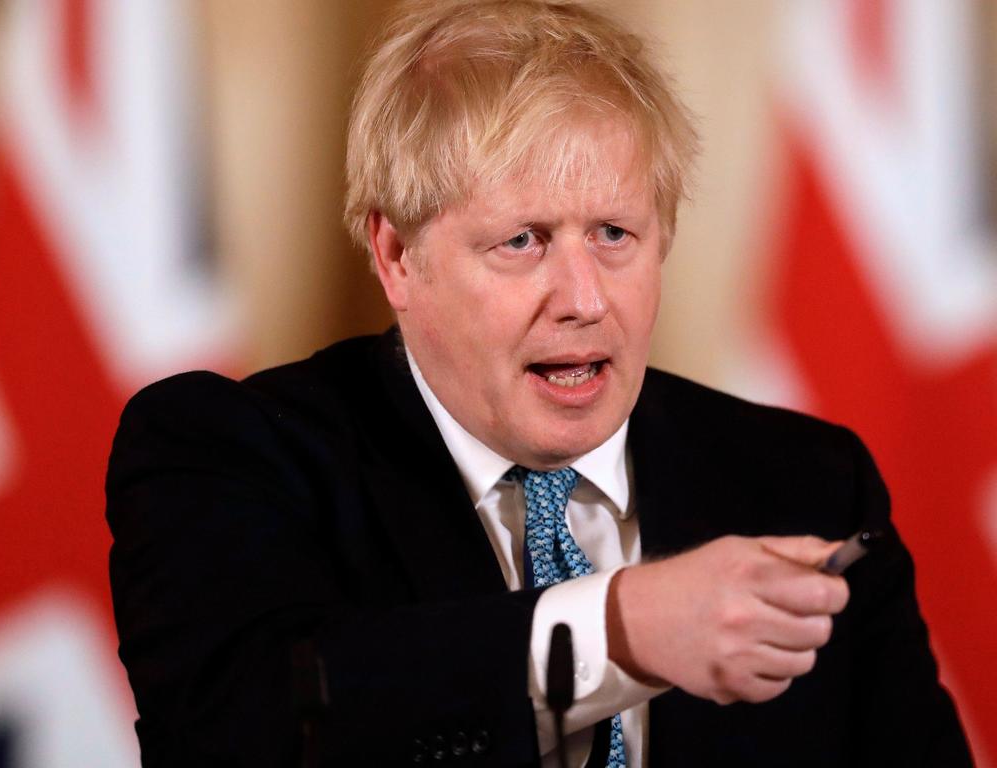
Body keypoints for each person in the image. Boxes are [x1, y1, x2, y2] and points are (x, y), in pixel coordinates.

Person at [105, 0, 972, 765]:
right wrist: (619, 630)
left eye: (614, 235)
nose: (586, 301)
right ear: (396, 256)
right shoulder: (224, 452)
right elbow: (239, 730)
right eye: (523, 241)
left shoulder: (808, 480)